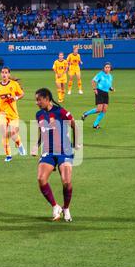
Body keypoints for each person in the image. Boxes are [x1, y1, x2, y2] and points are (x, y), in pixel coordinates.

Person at [31, 88, 80, 222]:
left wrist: (76, 143)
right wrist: (36, 145)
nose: (37, 102)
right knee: (41, 179)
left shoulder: (61, 112)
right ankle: (55, 206)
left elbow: (74, 125)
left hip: (64, 150)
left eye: (39, 100)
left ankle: (66, 208)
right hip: (48, 151)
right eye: (36, 100)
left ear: (47, 99)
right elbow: (42, 132)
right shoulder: (39, 114)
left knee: (66, 181)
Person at [0, 66, 26, 162]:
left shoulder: (14, 84)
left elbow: (22, 94)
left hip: (13, 114)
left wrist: (15, 98)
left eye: (6, 72)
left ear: (9, 74)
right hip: (1, 113)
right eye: (2, 72)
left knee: (11, 133)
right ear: (1, 74)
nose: (4, 74)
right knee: (4, 133)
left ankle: (19, 144)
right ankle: (8, 155)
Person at [81, 62, 114, 129]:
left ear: (110, 68)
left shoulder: (110, 76)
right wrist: (94, 89)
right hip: (99, 92)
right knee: (99, 109)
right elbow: (93, 81)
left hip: (106, 93)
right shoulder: (100, 74)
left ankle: (95, 125)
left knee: (104, 110)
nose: (107, 69)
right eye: (106, 67)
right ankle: (86, 114)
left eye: (109, 67)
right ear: (104, 68)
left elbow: (108, 85)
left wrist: (111, 88)